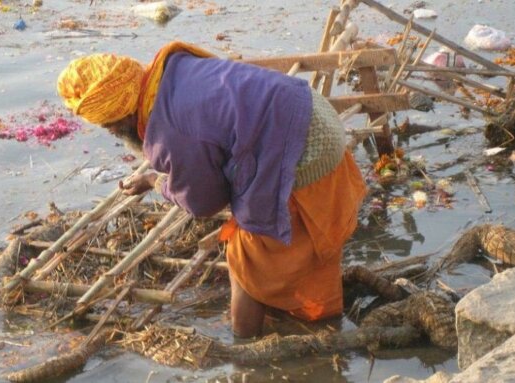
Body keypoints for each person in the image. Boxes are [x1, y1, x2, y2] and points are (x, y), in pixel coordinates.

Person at [57, 41, 367, 338]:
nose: (111, 132)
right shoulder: (173, 69)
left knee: (247, 261)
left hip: (303, 150)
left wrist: (157, 182)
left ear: (120, 115)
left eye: (107, 125)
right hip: (309, 109)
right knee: (298, 249)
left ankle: (245, 351)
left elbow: (203, 202)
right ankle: (307, 319)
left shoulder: (170, 130)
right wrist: (155, 179)